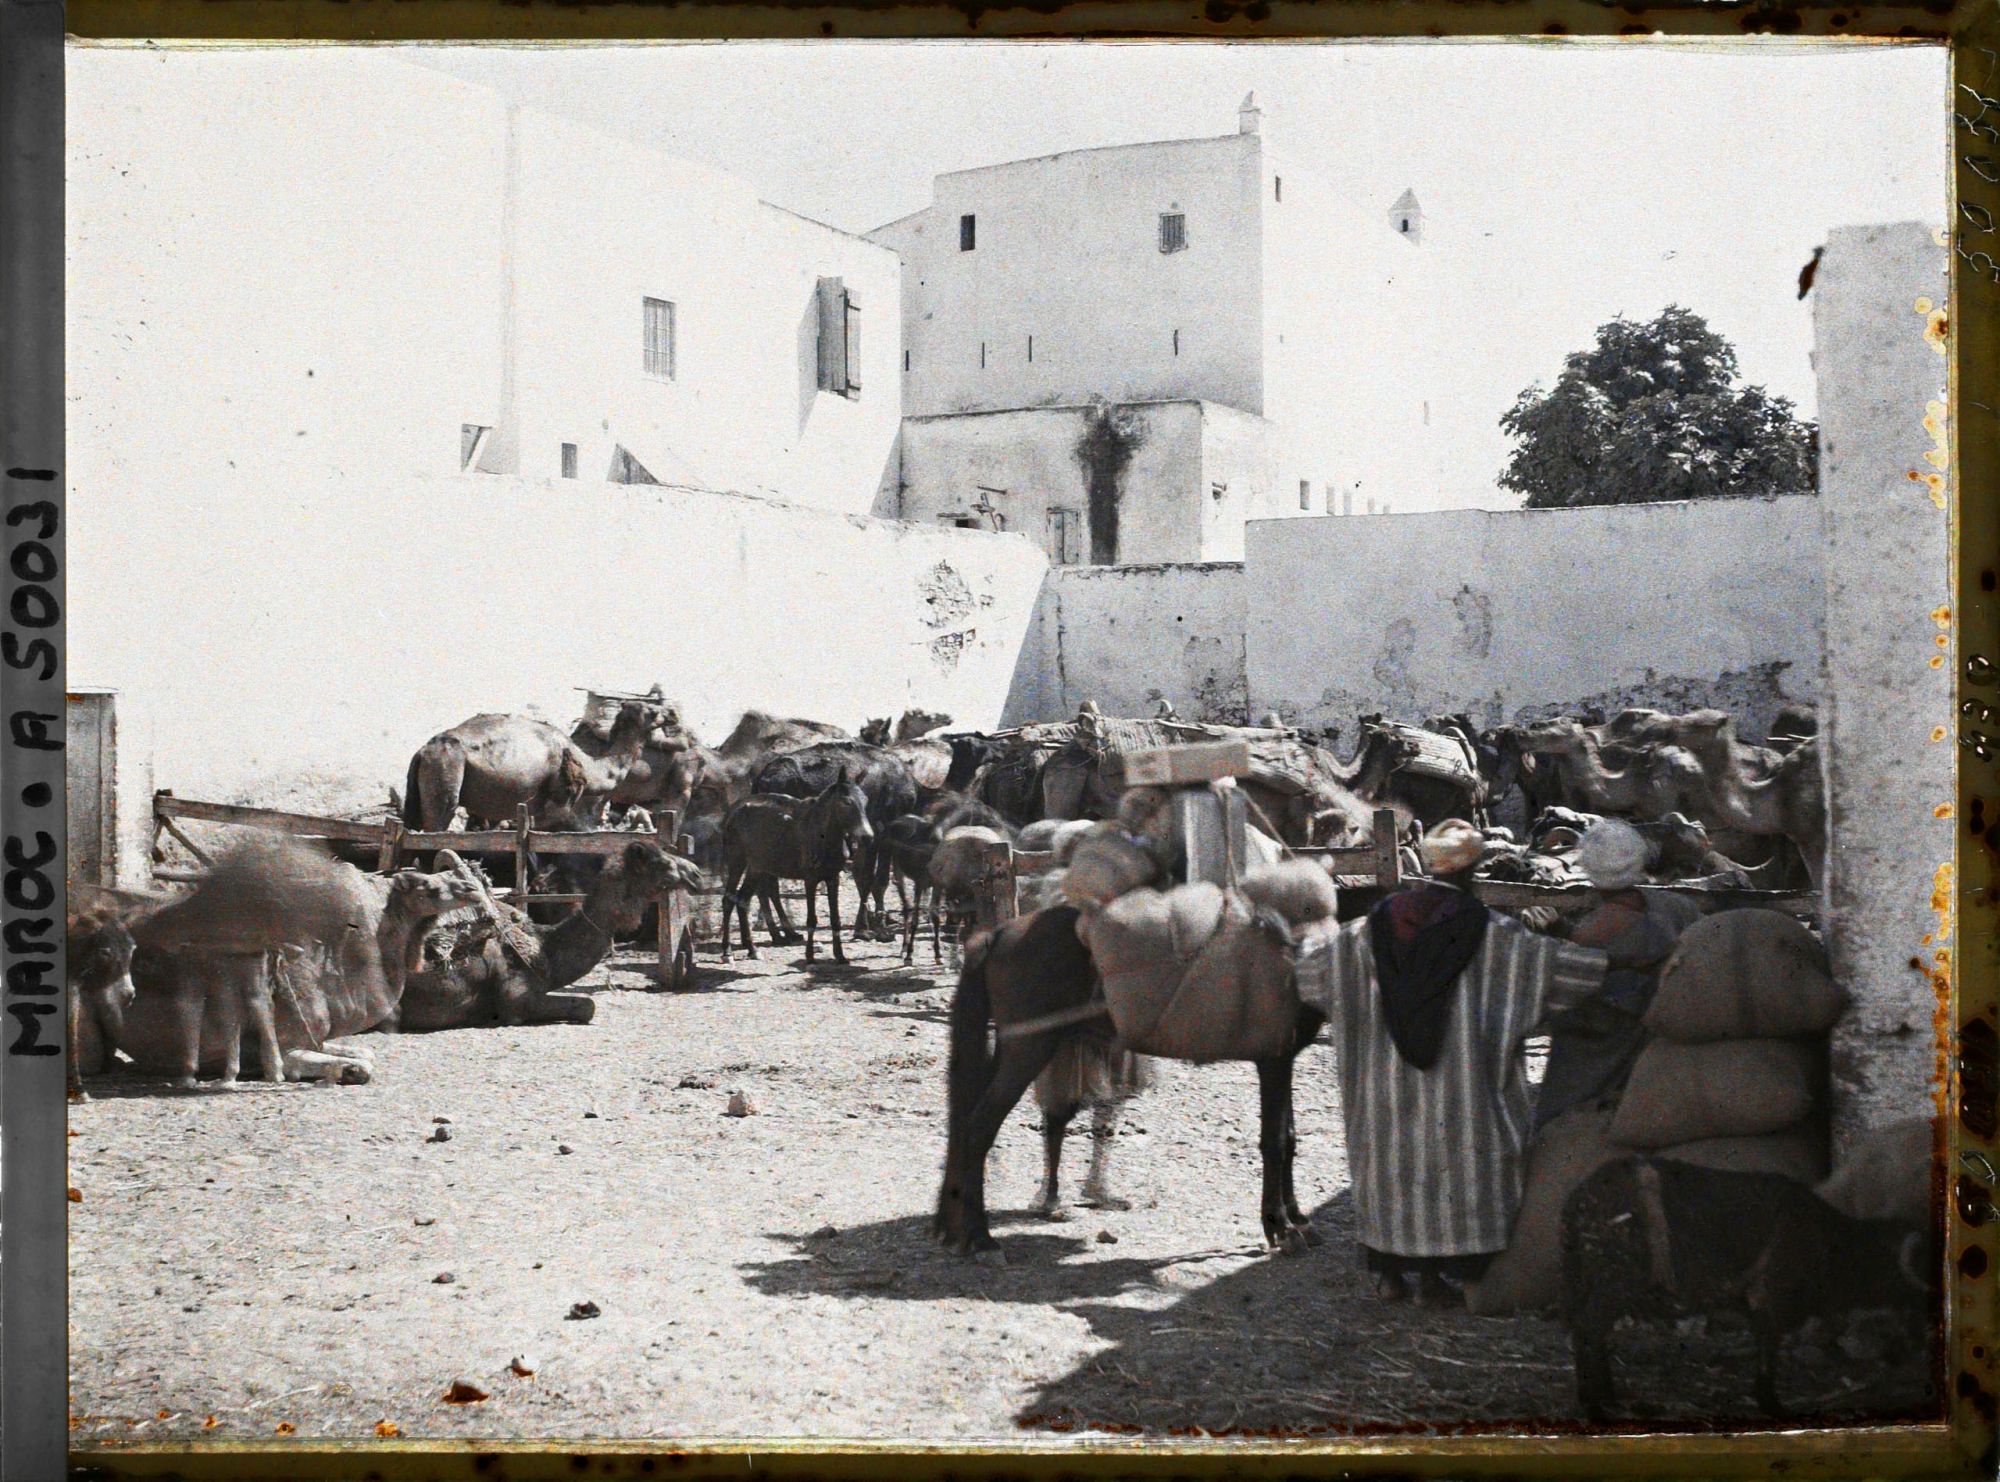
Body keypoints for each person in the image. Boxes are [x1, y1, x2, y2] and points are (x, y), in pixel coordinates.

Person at [1298, 819, 1610, 1306]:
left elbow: (1313, 973)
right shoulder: (1497, 937)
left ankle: (1390, 1275)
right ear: (1472, 870)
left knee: (1390, 1163)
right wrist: (1611, 962)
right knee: (1457, 1164)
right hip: (1462, 1095)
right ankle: (1438, 1280)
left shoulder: (1368, 931)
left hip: (1384, 1092)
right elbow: (1563, 974)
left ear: (1428, 863)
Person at [1530, 818, 1703, 1133]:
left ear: (1590, 871)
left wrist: (1553, 941)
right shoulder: (1678, 909)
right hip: (1657, 1051)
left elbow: (1569, 999)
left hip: (1601, 1057)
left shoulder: (1590, 932)